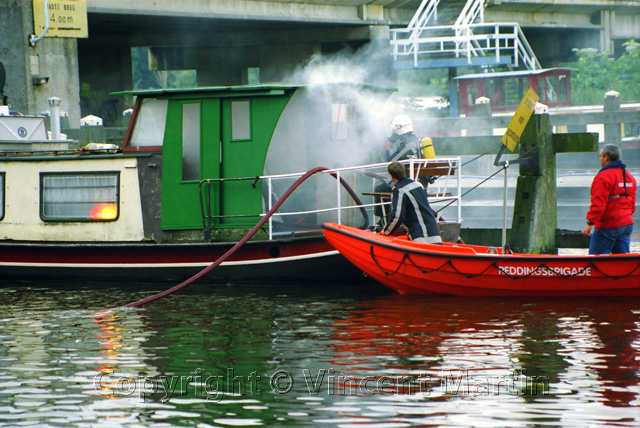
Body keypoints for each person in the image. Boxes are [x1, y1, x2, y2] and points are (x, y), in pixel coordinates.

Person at [581, 143, 636, 254]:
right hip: (626, 224)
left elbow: (598, 204)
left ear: (606, 157)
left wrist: (589, 223)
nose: (600, 159)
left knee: (596, 260)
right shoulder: (629, 177)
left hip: (608, 225)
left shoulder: (603, 177)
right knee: (622, 260)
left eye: (600, 156)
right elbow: (632, 203)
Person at [380, 161, 442, 244]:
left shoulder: (399, 190)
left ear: (391, 176)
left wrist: (386, 231)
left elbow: (398, 216)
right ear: (405, 172)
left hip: (420, 236)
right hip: (434, 232)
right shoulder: (418, 184)